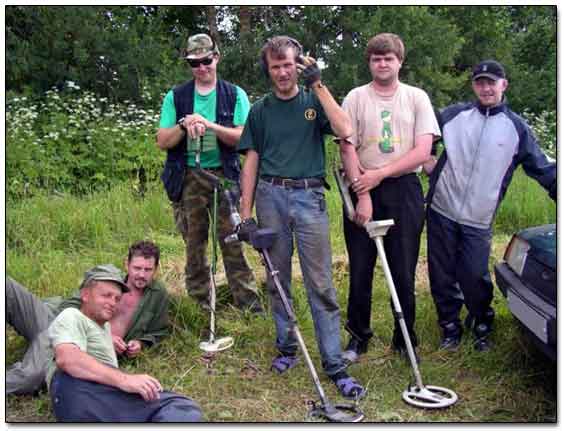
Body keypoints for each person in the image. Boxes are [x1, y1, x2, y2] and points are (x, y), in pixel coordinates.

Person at [237, 35, 365, 400]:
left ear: (299, 65)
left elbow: (345, 130)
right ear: (269, 70)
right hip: (270, 197)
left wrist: (319, 85)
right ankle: (287, 348)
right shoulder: (260, 110)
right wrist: (245, 215)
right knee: (277, 279)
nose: (282, 72)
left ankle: (334, 363)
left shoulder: (313, 99)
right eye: (275, 66)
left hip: (309, 197)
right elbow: (251, 160)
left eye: (288, 64)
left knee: (321, 283)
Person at [425, 59, 557, 351]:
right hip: (441, 210)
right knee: (441, 271)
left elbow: (544, 168)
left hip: (479, 217)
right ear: (473, 85)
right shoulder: (453, 115)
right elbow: (422, 132)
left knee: (474, 274)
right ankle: (449, 325)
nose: (485, 88)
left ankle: (482, 321)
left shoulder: (516, 128)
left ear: (503, 85)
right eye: (480, 82)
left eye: (491, 82)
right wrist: (427, 160)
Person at [337, 33, 440, 363]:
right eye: (376, 58)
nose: (382, 63)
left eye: (388, 58)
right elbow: (346, 146)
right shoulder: (355, 97)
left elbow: (423, 151)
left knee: (403, 267)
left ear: (399, 62)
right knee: (361, 267)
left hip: (404, 190)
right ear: (369, 62)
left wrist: (380, 175)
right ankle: (357, 337)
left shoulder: (416, 98)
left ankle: (404, 339)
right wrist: (362, 190)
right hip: (361, 186)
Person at [156, 33, 261, 313]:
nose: (202, 68)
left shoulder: (234, 94)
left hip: (224, 175)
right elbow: (163, 141)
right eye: (194, 63)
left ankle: (248, 304)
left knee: (232, 240)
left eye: (206, 61)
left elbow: (244, 138)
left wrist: (210, 126)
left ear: (217, 57)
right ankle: (202, 305)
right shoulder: (175, 97)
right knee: (194, 244)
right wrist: (183, 125)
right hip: (188, 175)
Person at [6, 240, 169, 395]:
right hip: (51, 317)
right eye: (137, 268)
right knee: (8, 289)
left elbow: (158, 331)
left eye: (148, 270)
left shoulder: (157, 295)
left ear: (155, 270)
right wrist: (106, 336)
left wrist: (140, 343)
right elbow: (68, 306)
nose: (141, 274)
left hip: (73, 344)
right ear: (127, 264)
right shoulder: (107, 277)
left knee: (28, 379)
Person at [47, 264, 202, 422]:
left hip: (101, 394)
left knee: (175, 408)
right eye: (106, 295)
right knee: (178, 406)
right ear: (85, 295)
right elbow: (68, 359)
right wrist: (125, 380)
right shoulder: (72, 315)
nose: (113, 302)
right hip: (79, 386)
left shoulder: (104, 328)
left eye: (117, 299)